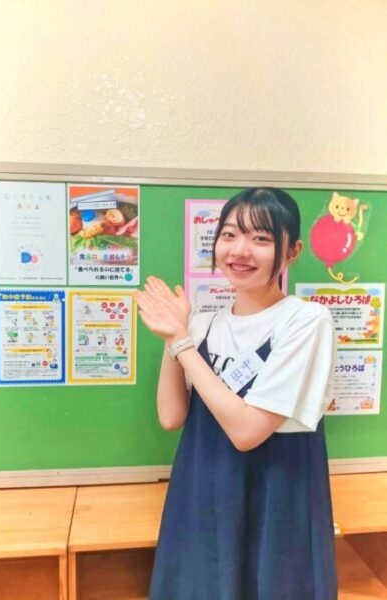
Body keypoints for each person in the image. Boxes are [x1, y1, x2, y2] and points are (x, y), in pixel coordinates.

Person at [134, 187, 338, 600]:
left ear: (292, 251)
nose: (240, 250)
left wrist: (182, 343)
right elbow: (171, 416)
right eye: (229, 235)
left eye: (261, 238)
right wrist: (175, 335)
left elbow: (247, 432)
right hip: (204, 491)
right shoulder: (203, 325)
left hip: (275, 501)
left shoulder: (305, 321)